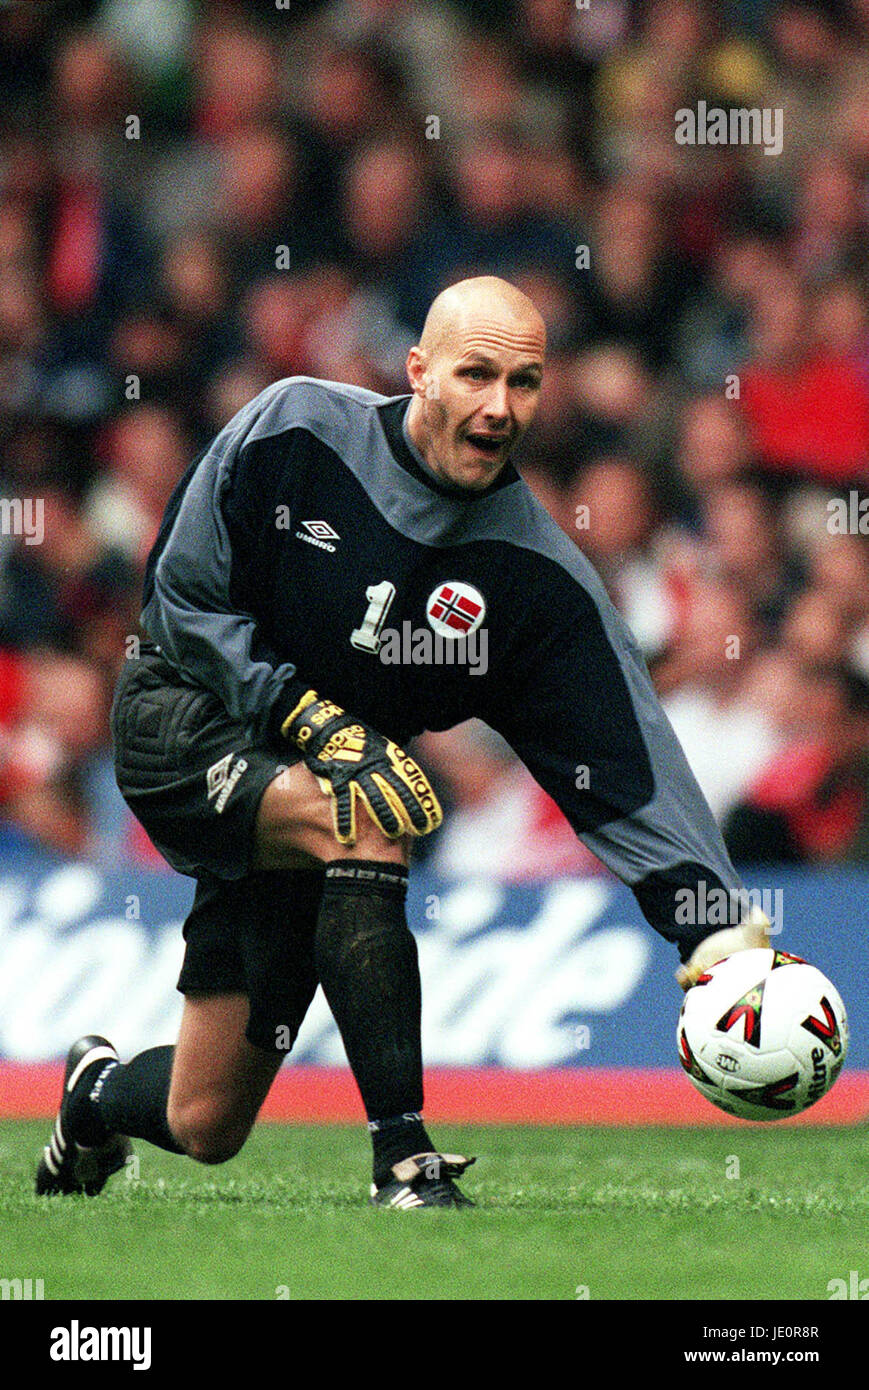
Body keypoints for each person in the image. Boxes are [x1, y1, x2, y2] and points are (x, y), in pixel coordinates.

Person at [36, 277, 768, 1210]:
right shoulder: (293, 429)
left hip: (320, 774)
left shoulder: (534, 581)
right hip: (184, 720)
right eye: (475, 373)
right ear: (419, 371)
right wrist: (306, 715)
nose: (499, 407)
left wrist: (718, 934)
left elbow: (628, 766)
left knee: (206, 1121)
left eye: (526, 383)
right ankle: (405, 1159)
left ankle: (91, 1096)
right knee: (367, 818)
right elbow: (179, 601)